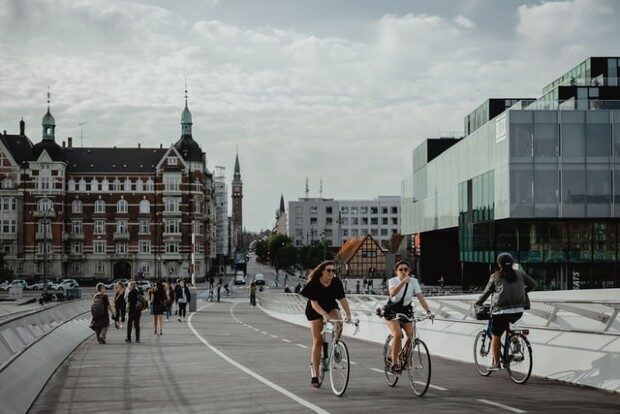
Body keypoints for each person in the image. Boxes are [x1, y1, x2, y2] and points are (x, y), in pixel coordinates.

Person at [475, 252, 537, 371]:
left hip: (501, 312)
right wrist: (523, 291)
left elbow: (486, 293)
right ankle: (513, 338)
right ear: (512, 263)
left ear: (499, 264)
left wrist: (478, 303)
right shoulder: (520, 274)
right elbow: (534, 285)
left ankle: (496, 363)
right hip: (519, 310)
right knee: (507, 323)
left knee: (496, 336)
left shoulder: (495, 276)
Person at [300, 260, 352, 388]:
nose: (331, 273)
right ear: (322, 271)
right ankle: (315, 375)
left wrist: (349, 314)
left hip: (330, 306)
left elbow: (342, 299)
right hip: (315, 310)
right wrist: (324, 315)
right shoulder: (314, 283)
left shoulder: (336, 282)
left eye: (333, 270)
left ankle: (336, 345)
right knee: (318, 340)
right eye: (328, 270)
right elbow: (314, 304)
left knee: (339, 323)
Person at [383, 260, 433, 372]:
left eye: (406, 269)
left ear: (409, 271)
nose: (403, 271)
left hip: (406, 311)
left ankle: (405, 358)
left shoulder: (414, 281)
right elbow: (392, 293)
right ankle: (394, 363)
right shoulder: (392, 281)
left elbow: (420, 298)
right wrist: (403, 282)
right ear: (396, 271)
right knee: (397, 335)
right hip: (392, 311)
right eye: (400, 270)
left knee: (411, 337)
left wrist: (428, 311)